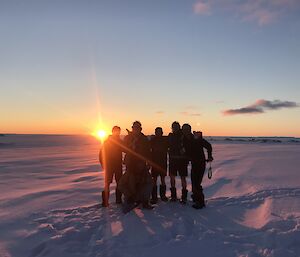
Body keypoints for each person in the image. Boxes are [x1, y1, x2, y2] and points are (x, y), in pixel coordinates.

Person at [119, 121, 153, 213]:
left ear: (140, 129)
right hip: (130, 164)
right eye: (134, 128)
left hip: (141, 163)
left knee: (145, 182)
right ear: (132, 128)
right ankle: (129, 199)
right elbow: (123, 148)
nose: (136, 129)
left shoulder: (144, 138)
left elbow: (147, 151)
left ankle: (145, 201)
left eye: (137, 128)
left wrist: (148, 162)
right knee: (130, 183)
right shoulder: (128, 138)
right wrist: (131, 143)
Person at [181, 124, 213, 209]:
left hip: (201, 163)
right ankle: (196, 198)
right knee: (194, 182)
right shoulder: (184, 139)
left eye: (187, 129)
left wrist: (209, 156)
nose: (185, 131)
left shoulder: (196, 137)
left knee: (197, 183)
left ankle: (200, 202)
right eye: (184, 129)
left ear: (190, 130)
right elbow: (188, 150)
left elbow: (208, 146)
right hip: (194, 163)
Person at [99, 126, 124, 207]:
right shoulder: (107, 142)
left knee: (119, 183)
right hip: (109, 166)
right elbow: (101, 154)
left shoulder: (120, 141)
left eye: (118, 131)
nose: (117, 133)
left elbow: (126, 149)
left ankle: (118, 200)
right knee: (107, 184)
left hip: (118, 166)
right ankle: (105, 202)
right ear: (113, 131)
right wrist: (103, 164)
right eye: (116, 131)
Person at [168, 121, 188, 203]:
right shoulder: (170, 136)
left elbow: (189, 145)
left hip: (182, 160)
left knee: (182, 178)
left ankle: (184, 197)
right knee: (172, 177)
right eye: (173, 127)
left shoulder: (184, 135)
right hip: (173, 160)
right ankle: (173, 196)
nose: (174, 129)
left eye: (176, 127)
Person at [149, 127, 169, 204]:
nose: (158, 133)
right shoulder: (153, 140)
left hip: (162, 162)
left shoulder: (165, 140)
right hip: (154, 163)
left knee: (162, 179)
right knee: (154, 180)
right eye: (157, 132)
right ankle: (154, 197)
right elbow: (148, 148)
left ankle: (162, 196)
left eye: (159, 132)